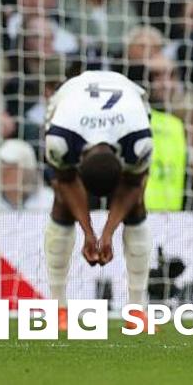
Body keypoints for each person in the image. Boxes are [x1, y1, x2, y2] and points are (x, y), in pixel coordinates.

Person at [42, 69, 154, 330]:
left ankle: (137, 311)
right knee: (62, 203)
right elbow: (66, 181)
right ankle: (58, 308)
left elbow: (133, 184)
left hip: (130, 95)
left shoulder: (138, 140)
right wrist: (89, 232)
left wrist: (107, 233)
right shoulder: (60, 139)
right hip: (69, 96)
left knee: (136, 206)